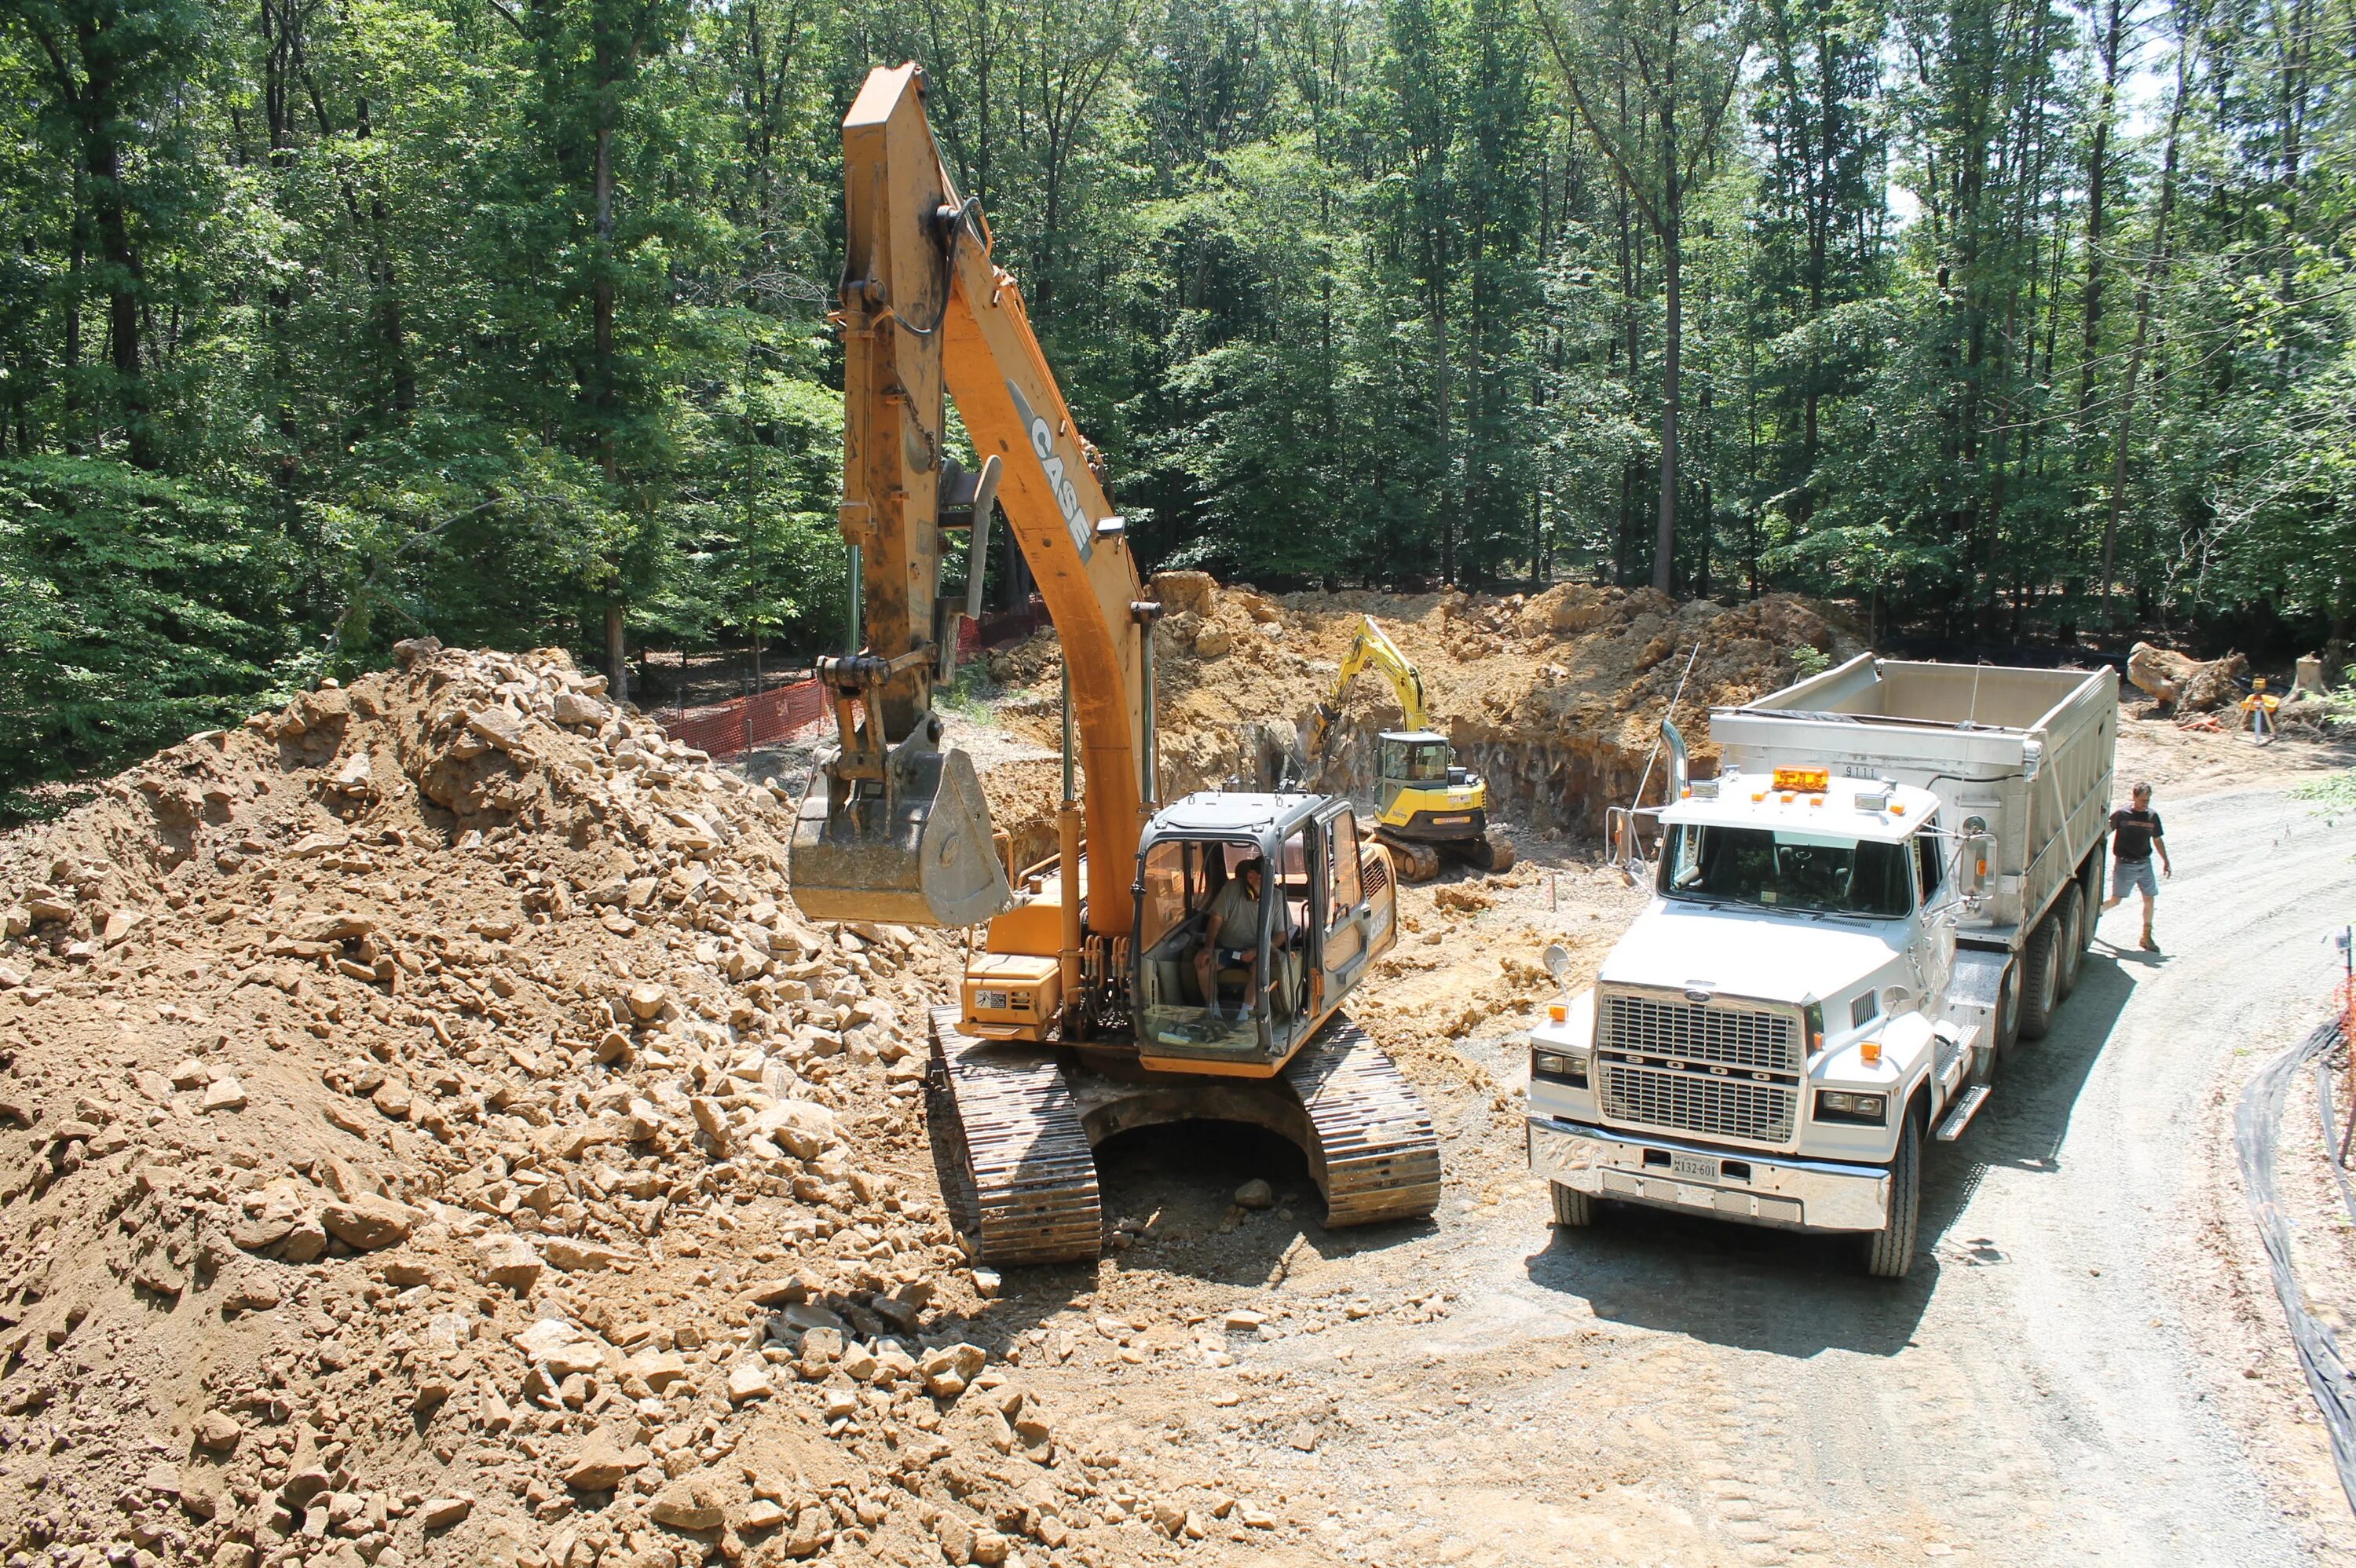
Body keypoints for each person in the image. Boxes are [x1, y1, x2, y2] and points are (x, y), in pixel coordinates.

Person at [2102, 782, 2171, 952]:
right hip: (2125, 864)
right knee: (2116, 900)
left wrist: (2166, 861)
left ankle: (2146, 937)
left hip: (2144, 864)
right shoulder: (2122, 815)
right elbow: (2105, 832)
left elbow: (2157, 839)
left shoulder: (2152, 817)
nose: (2145, 804)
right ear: (2134, 797)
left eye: (2147, 800)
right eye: (2142, 800)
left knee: (2149, 898)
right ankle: (2095, 913)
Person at [1194, 856, 1265, 1019]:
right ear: (1250, 877)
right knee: (1203, 965)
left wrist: (1257, 951)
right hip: (1229, 952)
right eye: (1261, 880)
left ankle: (1244, 1016)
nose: (1266, 884)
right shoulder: (1231, 890)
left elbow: (1282, 934)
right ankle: (1215, 1014)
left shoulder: (1275, 897)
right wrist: (1208, 948)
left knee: (1261, 969)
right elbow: (1216, 919)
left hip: (1256, 953)